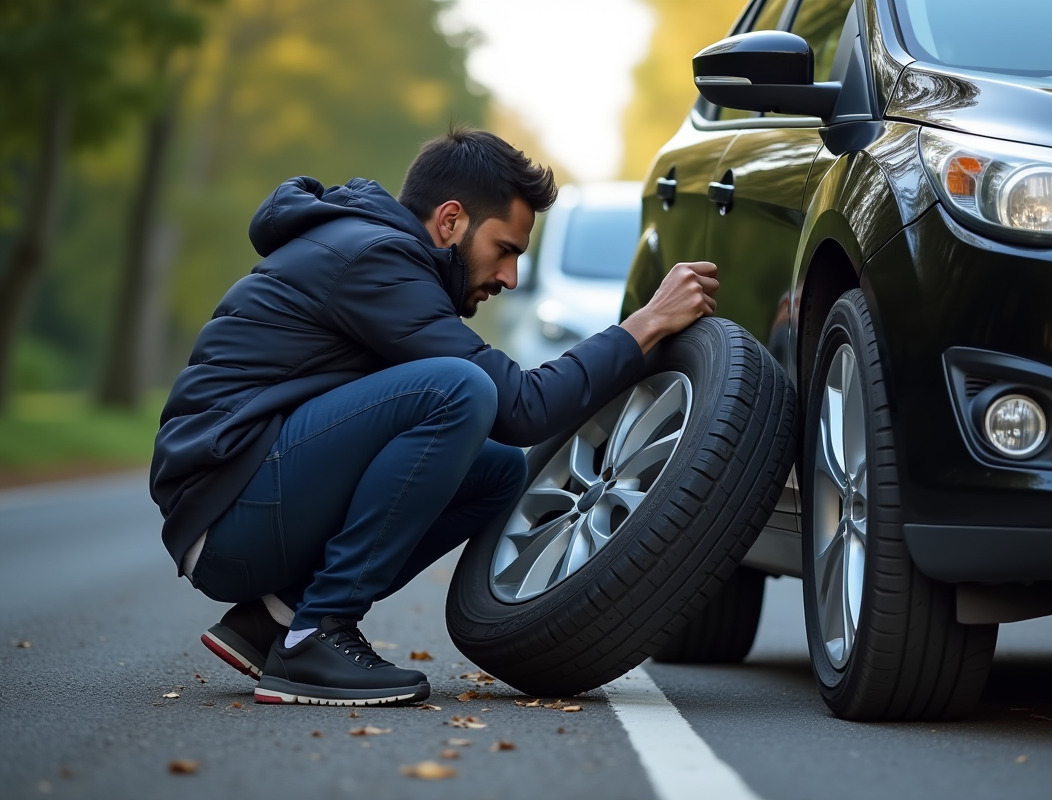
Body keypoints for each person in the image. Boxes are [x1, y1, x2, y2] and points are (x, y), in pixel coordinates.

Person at [149, 127, 718, 707]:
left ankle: (277, 620)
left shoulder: (375, 253)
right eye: (506, 250)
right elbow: (521, 406)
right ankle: (317, 636)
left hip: (247, 494)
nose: (510, 278)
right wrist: (643, 326)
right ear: (450, 222)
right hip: (227, 510)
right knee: (459, 391)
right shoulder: (374, 258)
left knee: (498, 471)